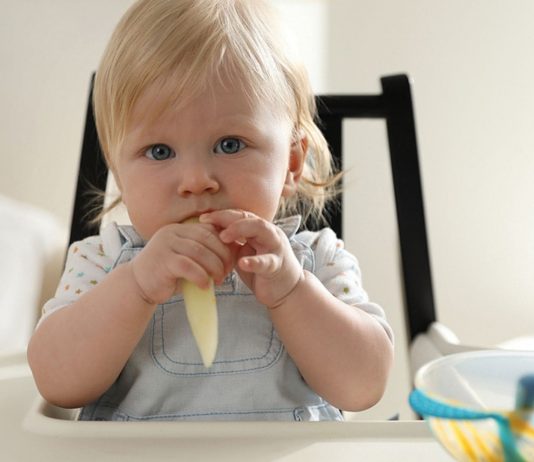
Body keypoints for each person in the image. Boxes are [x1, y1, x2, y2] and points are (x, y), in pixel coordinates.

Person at [27, 0, 393, 422]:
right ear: (120, 175)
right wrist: (137, 285)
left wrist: (294, 291)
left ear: (291, 163)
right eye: (159, 151)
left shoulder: (319, 260)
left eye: (230, 144)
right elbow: (56, 384)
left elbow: (365, 385)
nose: (197, 180)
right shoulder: (100, 261)